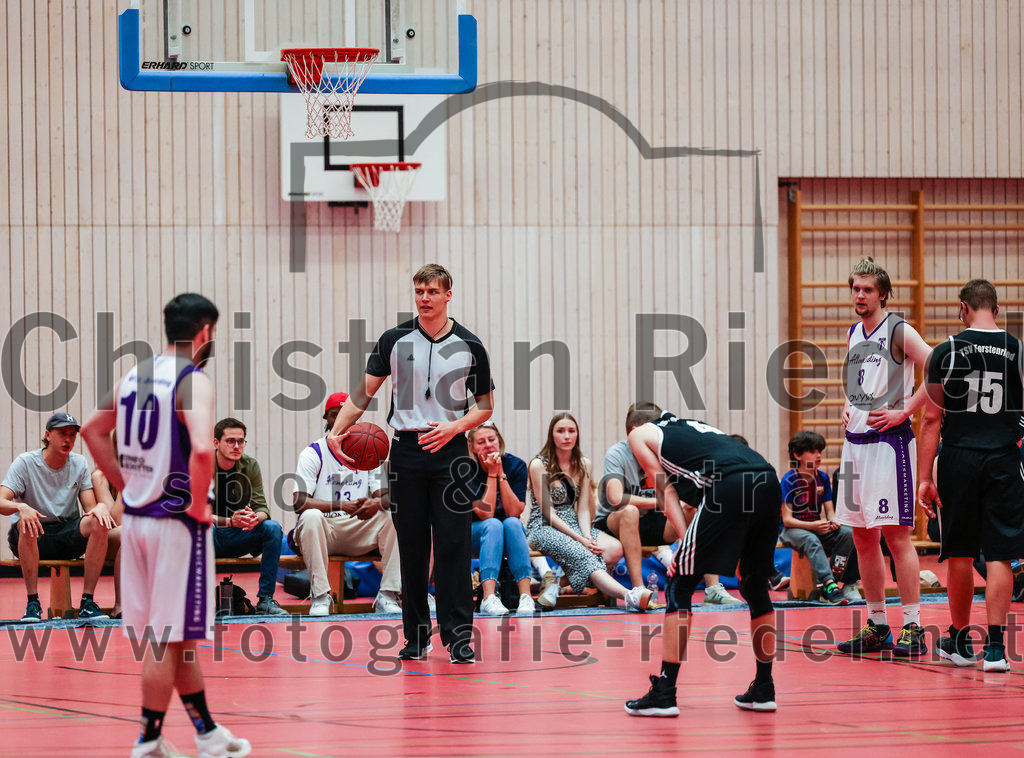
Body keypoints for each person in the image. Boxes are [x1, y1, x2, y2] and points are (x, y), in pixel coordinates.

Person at [81, 293, 251, 758]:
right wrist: (198, 507)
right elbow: (201, 448)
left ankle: (207, 733)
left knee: (174, 638)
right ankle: (148, 740)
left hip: (136, 523)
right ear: (204, 332)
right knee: (166, 638)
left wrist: (124, 484)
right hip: (177, 524)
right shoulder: (192, 381)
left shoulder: (132, 375)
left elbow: (92, 431)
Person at [327, 264, 494, 664]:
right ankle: (416, 637)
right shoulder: (393, 340)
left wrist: (454, 427)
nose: (424, 298)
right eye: (418, 290)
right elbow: (362, 395)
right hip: (404, 451)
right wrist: (335, 432)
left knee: (455, 544)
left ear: (448, 295)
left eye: (432, 291)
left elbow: (485, 409)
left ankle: (459, 639)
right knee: (412, 547)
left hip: (451, 452)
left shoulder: (470, 345)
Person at [624, 412, 781, 717]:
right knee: (754, 585)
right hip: (767, 478)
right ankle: (764, 688)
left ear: (636, 427)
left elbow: (665, 492)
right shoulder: (691, 427)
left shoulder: (639, 434)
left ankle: (665, 693)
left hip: (731, 483)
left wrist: (684, 546)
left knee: (680, 584)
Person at [917, 279, 1024, 672]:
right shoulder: (1017, 351)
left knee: (959, 552)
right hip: (1003, 460)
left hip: (959, 458)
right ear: (995, 309)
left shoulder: (943, 353)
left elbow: (931, 420)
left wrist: (925, 478)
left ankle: (961, 643)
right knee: (1001, 552)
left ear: (963, 308)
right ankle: (995, 651)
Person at [834, 258, 932, 657]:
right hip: (854, 445)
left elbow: (940, 369)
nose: (860, 295)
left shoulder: (899, 330)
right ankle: (877, 625)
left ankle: (913, 627)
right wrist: (848, 404)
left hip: (890, 446)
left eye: (867, 289)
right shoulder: (854, 332)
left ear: (883, 293)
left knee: (896, 537)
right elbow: (858, 381)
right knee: (861, 537)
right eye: (856, 288)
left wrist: (904, 410)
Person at [595, 402, 741, 606]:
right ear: (637, 432)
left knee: (694, 508)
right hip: (614, 524)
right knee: (629, 511)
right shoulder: (617, 453)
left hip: (651, 523)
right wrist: (661, 501)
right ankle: (639, 590)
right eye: (656, 429)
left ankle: (713, 588)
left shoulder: (662, 451)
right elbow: (616, 499)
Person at [525, 413, 653, 612]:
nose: (567, 436)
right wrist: (580, 540)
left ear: (577, 435)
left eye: (571, 431)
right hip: (543, 525)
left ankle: (556, 585)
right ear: (551, 436)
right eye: (560, 431)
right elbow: (548, 513)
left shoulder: (584, 464)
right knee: (585, 554)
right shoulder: (538, 464)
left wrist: (586, 535)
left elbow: (583, 508)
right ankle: (629, 595)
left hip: (575, 523)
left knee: (613, 549)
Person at [290, 391, 402, 617]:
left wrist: (375, 503)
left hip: (358, 531)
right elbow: (298, 502)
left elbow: (388, 496)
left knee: (392, 515)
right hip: (325, 532)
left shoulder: (368, 452)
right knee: (310, 516)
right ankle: (321, 596)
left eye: (345, 414)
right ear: (327, 419)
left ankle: (388, 594)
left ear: (354, 418)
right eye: (334, 414)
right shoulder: (314, 453)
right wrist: (340, 505)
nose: (340, 419)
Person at [0, 413, 116, 622]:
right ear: (48, 435)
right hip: (34, 534)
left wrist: (99, 507)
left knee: (98, 521)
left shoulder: (79, 463)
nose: (68, 439)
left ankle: (88, 602)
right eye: (62, 433)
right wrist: (21, 507)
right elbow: (1, 501)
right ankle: (33, 603)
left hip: (65, 532)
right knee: (27, 524)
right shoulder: (26, 463)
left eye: (72, 434)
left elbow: (89, 508)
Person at [210, 418, 287, 616]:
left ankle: (265, 600)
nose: (237, 446)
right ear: (216, 443)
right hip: (212, 536)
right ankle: (199, 600)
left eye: (241, 441)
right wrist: (228, 521)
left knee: (272, 527)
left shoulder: (250, 465)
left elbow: (263, 507)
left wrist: (255, 518)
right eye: (230, 441)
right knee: (199, 527)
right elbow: (196, 511)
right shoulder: (202, 465)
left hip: (240, 535)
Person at [780, 431, 860, 605]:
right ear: (797, 455)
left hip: (816, 526)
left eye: (820, 451)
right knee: (811, 539)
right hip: (793, 530)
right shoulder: (788, 480)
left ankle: (831, 584)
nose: (818, 456)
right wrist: (814, 526)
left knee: (847, 532)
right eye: (813, 451)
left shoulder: (823, 478)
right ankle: (830, 584)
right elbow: (787, 520)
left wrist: (833, 521)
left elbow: (829, 511)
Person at [466, 422, 535, 615]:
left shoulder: (517, 465)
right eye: (481, 442)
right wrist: (491, 474)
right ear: (471, 447)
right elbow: (485, 513)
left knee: (512, 523)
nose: (488, 445)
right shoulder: (466, 469)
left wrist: (501, 473)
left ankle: (526, 596)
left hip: (509, 535)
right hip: (473, 535)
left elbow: (514, 511)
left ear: (500, 441)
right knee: (493, 524)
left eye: (492, 439)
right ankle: (489, 598)